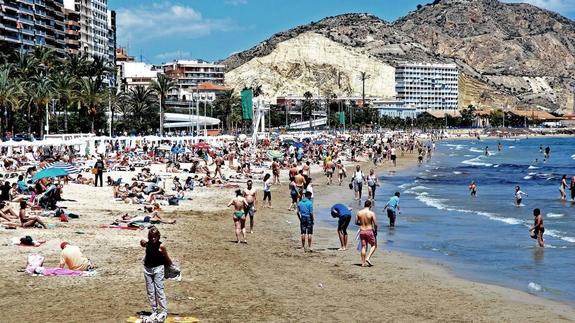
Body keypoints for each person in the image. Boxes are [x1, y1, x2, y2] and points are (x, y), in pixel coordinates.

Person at [140, 226, 171, 322]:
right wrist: (143, 241)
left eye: (155, 237)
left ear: (158, 237)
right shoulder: (147, 244)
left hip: (158, 269)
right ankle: (154, 310)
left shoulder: (161, 246)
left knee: (159, 290)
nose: (153, 238)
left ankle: (163, 311)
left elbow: (167, 257)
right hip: (147, 269)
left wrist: (172, 266)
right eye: (152, 237)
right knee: (150, 291)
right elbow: (142, 242)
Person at [356, 200, 377, 267]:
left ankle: (363, 263)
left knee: (363, 246)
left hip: (362, 231)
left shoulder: (359, 212)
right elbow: (375, 224)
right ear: (370, 205)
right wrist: (375, 231)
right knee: (374, 245)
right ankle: (368, 258)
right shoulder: (371, 213)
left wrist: (362, 223)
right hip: (369, 230)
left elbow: (356, 222)